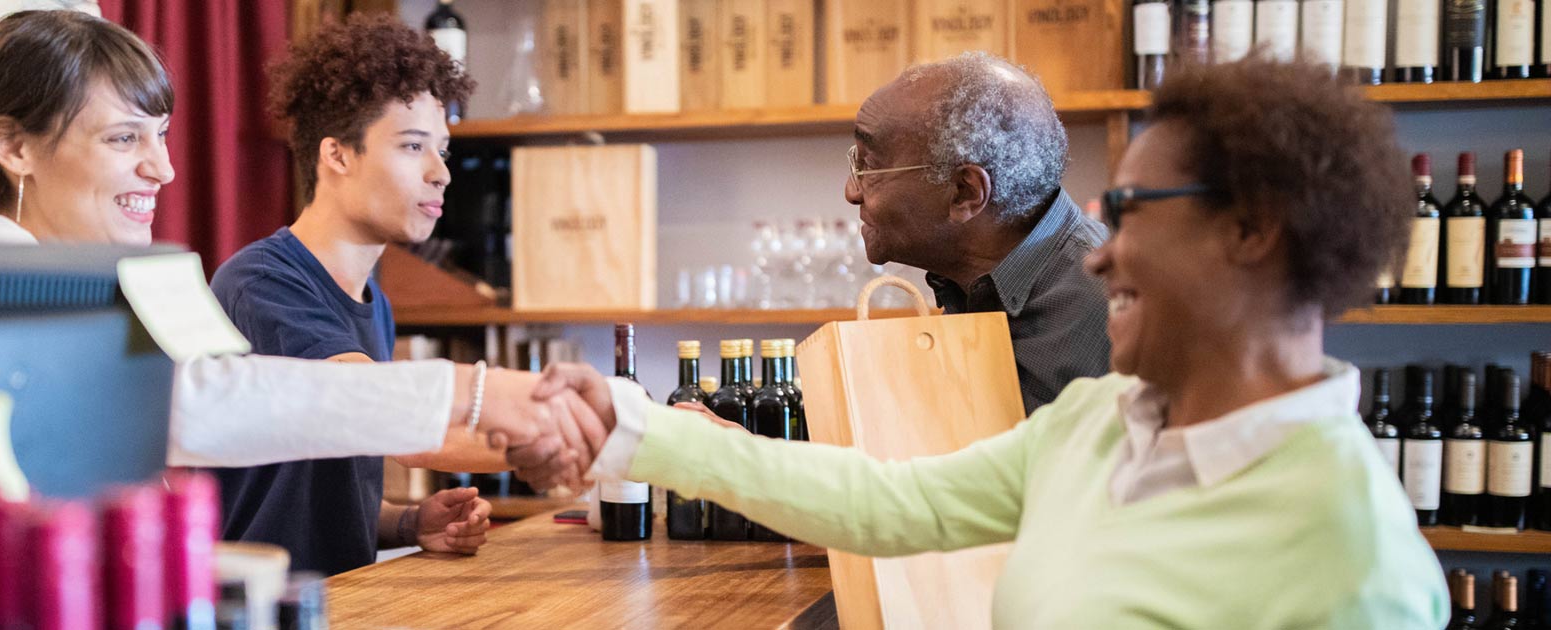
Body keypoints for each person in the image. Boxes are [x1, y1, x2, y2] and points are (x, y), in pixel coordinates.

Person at [535, 57, 1448, 627]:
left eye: (1128, 213)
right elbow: (890, 503)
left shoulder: (1361, 564)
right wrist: (635, 427)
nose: (1101, 255)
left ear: (1253, 231)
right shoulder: (1103, 420)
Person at [0, 11, 599, 517]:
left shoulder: (115, 288)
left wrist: (398, 524)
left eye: (160, 137)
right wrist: (476, 393)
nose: (162, 169)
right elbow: (204, 405)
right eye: (123, 138)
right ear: (13, 147)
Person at [205, 14, 503, 576]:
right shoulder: (262, 284)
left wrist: (409, 523)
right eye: (414, 146)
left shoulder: (375, 302)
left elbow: (308, 492)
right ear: (337, 155)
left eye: (441, 148)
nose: (441, 172)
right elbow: (395, 422)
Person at [846, 53, 1110, 413]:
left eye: (869, 166)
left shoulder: (1114, 307)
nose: (852, 190)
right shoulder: (970, 285)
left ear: (965, 193)